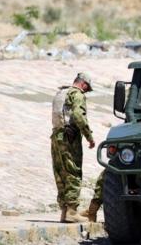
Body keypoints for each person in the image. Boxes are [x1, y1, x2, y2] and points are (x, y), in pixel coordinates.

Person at [51, 72, 95, 223]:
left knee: (60, 173)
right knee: (73, 172)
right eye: (87, 89)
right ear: (83, 84)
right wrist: (89, 136)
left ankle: (64, 211)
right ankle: (71, 211)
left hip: (56, 136)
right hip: (70, 138)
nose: (86, 92)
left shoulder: (61, 92)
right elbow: (78, 115)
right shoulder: (77, 94)